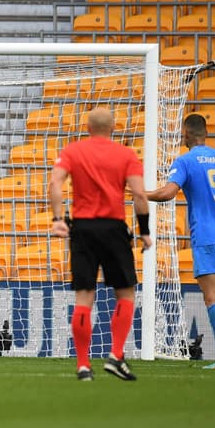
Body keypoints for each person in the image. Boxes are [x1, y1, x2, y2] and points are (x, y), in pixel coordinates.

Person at [49, 107, 152, 381]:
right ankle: (116, 355)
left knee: (84, 296)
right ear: (114, 127)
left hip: (82, 229)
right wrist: (144, 231)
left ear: (88, 127)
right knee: (125, 293)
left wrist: (58, 219)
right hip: (113, 227)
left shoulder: (73, 151)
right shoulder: (126, 154)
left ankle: (83, 365)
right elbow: (140, 195)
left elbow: (55, 182)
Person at [146, 113, 215, 369]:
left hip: (206, 236)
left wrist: (141, 194)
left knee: (212, 298)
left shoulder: (186, 161)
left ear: (186, 133)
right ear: (206, 132)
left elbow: (168, 193)